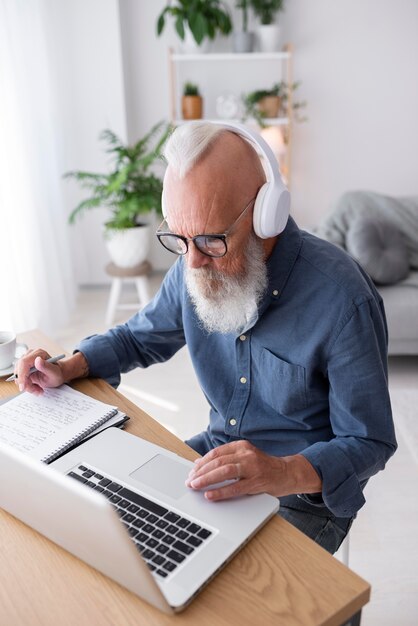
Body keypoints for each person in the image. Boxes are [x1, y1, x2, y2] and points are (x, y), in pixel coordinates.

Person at [15, 122, 397, 554]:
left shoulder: (343, 299)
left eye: (211, 240)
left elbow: (370, 440)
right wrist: (70, 366)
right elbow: (140, 337)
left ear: (264, 215)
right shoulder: (194, 259)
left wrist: (280, 471)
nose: (192, 263)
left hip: (304, 497)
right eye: (179, 239)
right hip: (215, 456)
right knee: (111, 530)